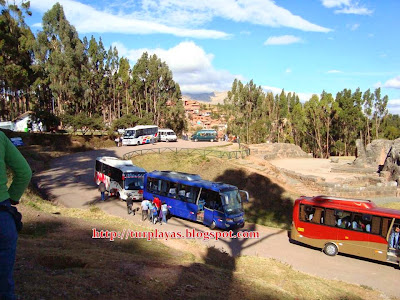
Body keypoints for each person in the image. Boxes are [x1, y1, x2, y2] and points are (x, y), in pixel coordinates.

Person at [0, 130, 32, 299]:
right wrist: (12, 197)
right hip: (2, 214)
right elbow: (24, 172)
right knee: (4, 280)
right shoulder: (0, 137)